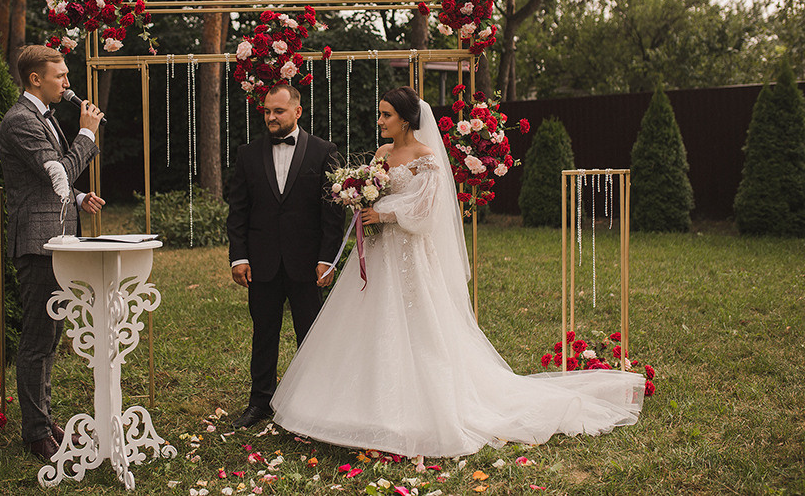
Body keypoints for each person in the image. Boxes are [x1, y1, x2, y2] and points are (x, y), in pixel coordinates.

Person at [271, 86, 644, 458]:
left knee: (418, 327)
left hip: (410, 256)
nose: (381, 121)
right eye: (380, 114)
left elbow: (426, 212)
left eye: (386, 115)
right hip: (379, 252)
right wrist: (359, 200)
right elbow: (376, 192)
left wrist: (382, 214)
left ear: (405, 119)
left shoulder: (427, 158)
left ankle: (421, 406)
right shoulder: (382, 154)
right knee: (364, 324)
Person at [0, 44, 106, 461]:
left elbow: (46, 182)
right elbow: (58, 170)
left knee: (51, 338)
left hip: (56, 239)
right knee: (38, 341)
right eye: (60, 76)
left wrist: (77, 199)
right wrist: (87, 134)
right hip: (38, 245)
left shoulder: (43, 117)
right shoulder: (20, 120)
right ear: (35, 79)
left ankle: (43, 419)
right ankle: (35, 433)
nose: (67, 83)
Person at [226, 84, 344, 429]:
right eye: (266, 111)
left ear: (297, 111)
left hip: (308, 264)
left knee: (310, 335)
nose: (271, 117)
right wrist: (238, 257)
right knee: (264, 334)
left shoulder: (324, 152)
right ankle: (260, 402)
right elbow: (238, 211)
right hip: (261, 263)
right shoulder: (248, 153)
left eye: (278, 111)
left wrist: (328, 259)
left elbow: (332, 214)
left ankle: (315, 403)